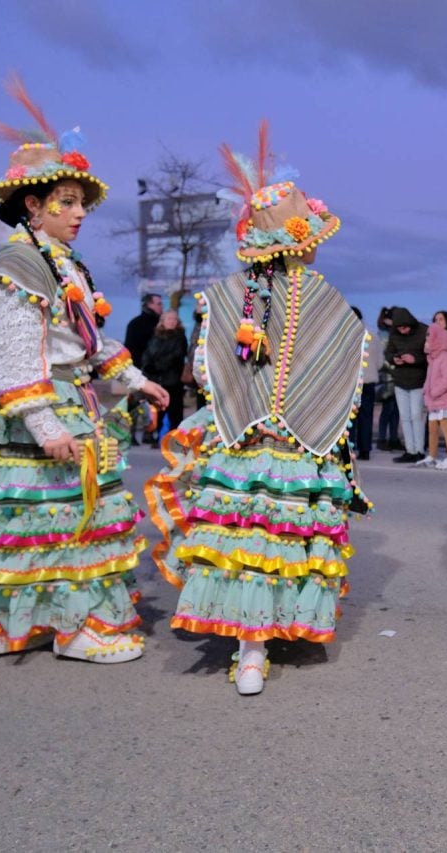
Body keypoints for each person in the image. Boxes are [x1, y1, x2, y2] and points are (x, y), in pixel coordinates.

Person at [0, 77, 167, 661]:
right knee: (75, 519)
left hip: (60, 402)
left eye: (80, 203)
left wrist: (138, 381)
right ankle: (76, 630)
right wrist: (47, 427)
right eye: (64, 203)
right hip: (48, 410)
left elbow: (85, 342)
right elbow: (16, 354)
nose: (78, 213)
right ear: (32, 207)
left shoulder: (60, 264)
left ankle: (8, 624)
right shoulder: (21, 265)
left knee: (31, 520)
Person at [146, 123, 368, 695]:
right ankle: (273, 633)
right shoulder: (327, 299)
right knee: (284, 534)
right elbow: (349, 372)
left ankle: (249, 649)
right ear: (305, 239)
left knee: (246, 534)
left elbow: (204, 370)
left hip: (242, 439)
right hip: (300, 443)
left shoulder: (223, 295)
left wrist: (252, 397)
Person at [419, 310, 447, 469]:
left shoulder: (445, 358)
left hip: (444, 400)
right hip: (434, 400)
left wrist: (434, 391)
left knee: (446, 428)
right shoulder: (433, 359)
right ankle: (432, 455)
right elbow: (429, 378)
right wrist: (426, 390)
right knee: (432, 429)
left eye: (431, 337)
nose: (428, 340)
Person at [385, 306, 427, 463]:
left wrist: (415, 359)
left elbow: (429, 354)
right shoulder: (394, 333)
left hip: (418, 380)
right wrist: (394, 358)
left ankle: (420, 450)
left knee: (417, 416)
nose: (402, 331)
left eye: (405, 327)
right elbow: (388, 352)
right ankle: (410, 450)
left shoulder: (424, 330)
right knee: (405, 417)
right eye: (399, 328)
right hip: (400, 380)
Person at [140, 310, 188, 435]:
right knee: (156, 410)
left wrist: (158, 367)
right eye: (169, 319)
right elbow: (147, 353)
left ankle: (174, 437)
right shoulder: (155, 336)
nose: (172, 321)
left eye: (174, 319)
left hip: (173, 380)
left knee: (175, 411)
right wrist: (147, 366)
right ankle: (153, 434)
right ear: (162, 321)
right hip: (156, 379)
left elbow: (176, 356)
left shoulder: (180, 337)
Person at [124, 292, 162, 444]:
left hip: (153, 370)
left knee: (152, 404)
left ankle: (148, 432)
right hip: (139, 369)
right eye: (158, 303)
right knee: (135, 403)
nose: (161, 307)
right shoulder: (139, 324)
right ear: (149, 304)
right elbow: (130, 348)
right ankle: (132, 433)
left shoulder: (159, 323)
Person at [351, 306, 378, 461]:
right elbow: (380, 361)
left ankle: (351, 447)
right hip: (370, 380)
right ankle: (365, 449)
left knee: (351, 418)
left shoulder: (349, 334)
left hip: (354, 382)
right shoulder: (372, 335)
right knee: (366, 417)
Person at [374, 307, 400, 452]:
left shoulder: (389, 334)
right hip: (388, 377)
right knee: (388, 409)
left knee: (395, 410)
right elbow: (384, 357)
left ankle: (393, 438)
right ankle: (383, 438)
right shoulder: (384, 335)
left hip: (395, 376)